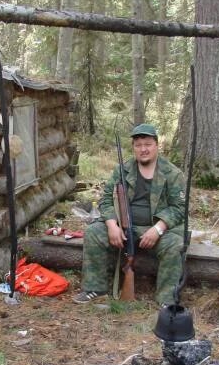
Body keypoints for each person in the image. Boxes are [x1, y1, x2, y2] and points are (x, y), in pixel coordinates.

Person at [73, 123, 186, 305]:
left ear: (157, 145)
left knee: (175, 245)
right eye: (138, 145)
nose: (143, 149)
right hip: (125, 227)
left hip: (156, 229)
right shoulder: (122, 170)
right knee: (94, 232)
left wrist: (157, 229)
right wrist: (111, 226)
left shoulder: (172, 173)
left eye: (148, 144)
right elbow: (106, 199)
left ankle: (167, 299)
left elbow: (179, 208)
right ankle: (95, 288)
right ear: (133, 147)